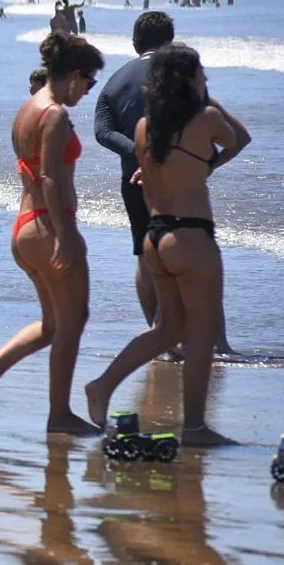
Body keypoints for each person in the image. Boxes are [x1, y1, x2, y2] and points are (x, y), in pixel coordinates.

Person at [85, 46, 251, 445]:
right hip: (192, 234)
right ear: (188, 80)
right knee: (201, 333)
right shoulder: (206, 118)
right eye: (201, 73)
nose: (205, 78)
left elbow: (156, 168)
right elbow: (241, 137)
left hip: (155, 237)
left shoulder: (144, 127)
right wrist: (207, 103)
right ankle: (194, 427)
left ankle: (103, 386)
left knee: (169, 328)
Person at [0, 32, 105, 435]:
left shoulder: (28, 109)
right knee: (74, 320)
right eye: (89, 83)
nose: (87, 91)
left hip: (25, 230)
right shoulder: (56, 114)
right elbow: (47, 176)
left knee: (53, 325)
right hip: (48, 224)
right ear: (75, 75)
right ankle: (59, 415)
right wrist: (65, 233)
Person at [94, 11, 178, 333]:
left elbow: (102, 132)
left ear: (134, 43)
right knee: (180, 254)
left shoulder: (114, 82)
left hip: (133, 180)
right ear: (170, 40)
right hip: (176, 178)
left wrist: (137, 153)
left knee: (145, 255)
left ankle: (156, 333)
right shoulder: (181, 74)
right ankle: (183, 331)